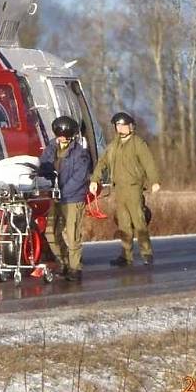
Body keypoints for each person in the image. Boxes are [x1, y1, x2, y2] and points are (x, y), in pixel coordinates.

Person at [89, 111, 160, 267]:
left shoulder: (138, 143)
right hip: (119, 189)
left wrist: (154, 180)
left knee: (139, 221)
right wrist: (95, 179)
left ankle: (146, 252)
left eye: (123, 125)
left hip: (134, 188)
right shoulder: (113, 146)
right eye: (118, 125)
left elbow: (149, 163)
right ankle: (126, 255)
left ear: (130, 127)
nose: (120, 128)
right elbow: (102, 163)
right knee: (123, 224)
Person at [39, 116, 92, 282]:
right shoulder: (51, 149)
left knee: (72, 234)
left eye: (64, 133)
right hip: (56, 197)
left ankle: (75, 268)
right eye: (58, 133)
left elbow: (79, 177)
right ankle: (63, 262)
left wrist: (62, 191)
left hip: (72, 198)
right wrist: (46, 182)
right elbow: (44, 166)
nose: (61, 136)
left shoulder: (80, 153)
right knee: (51, 231)